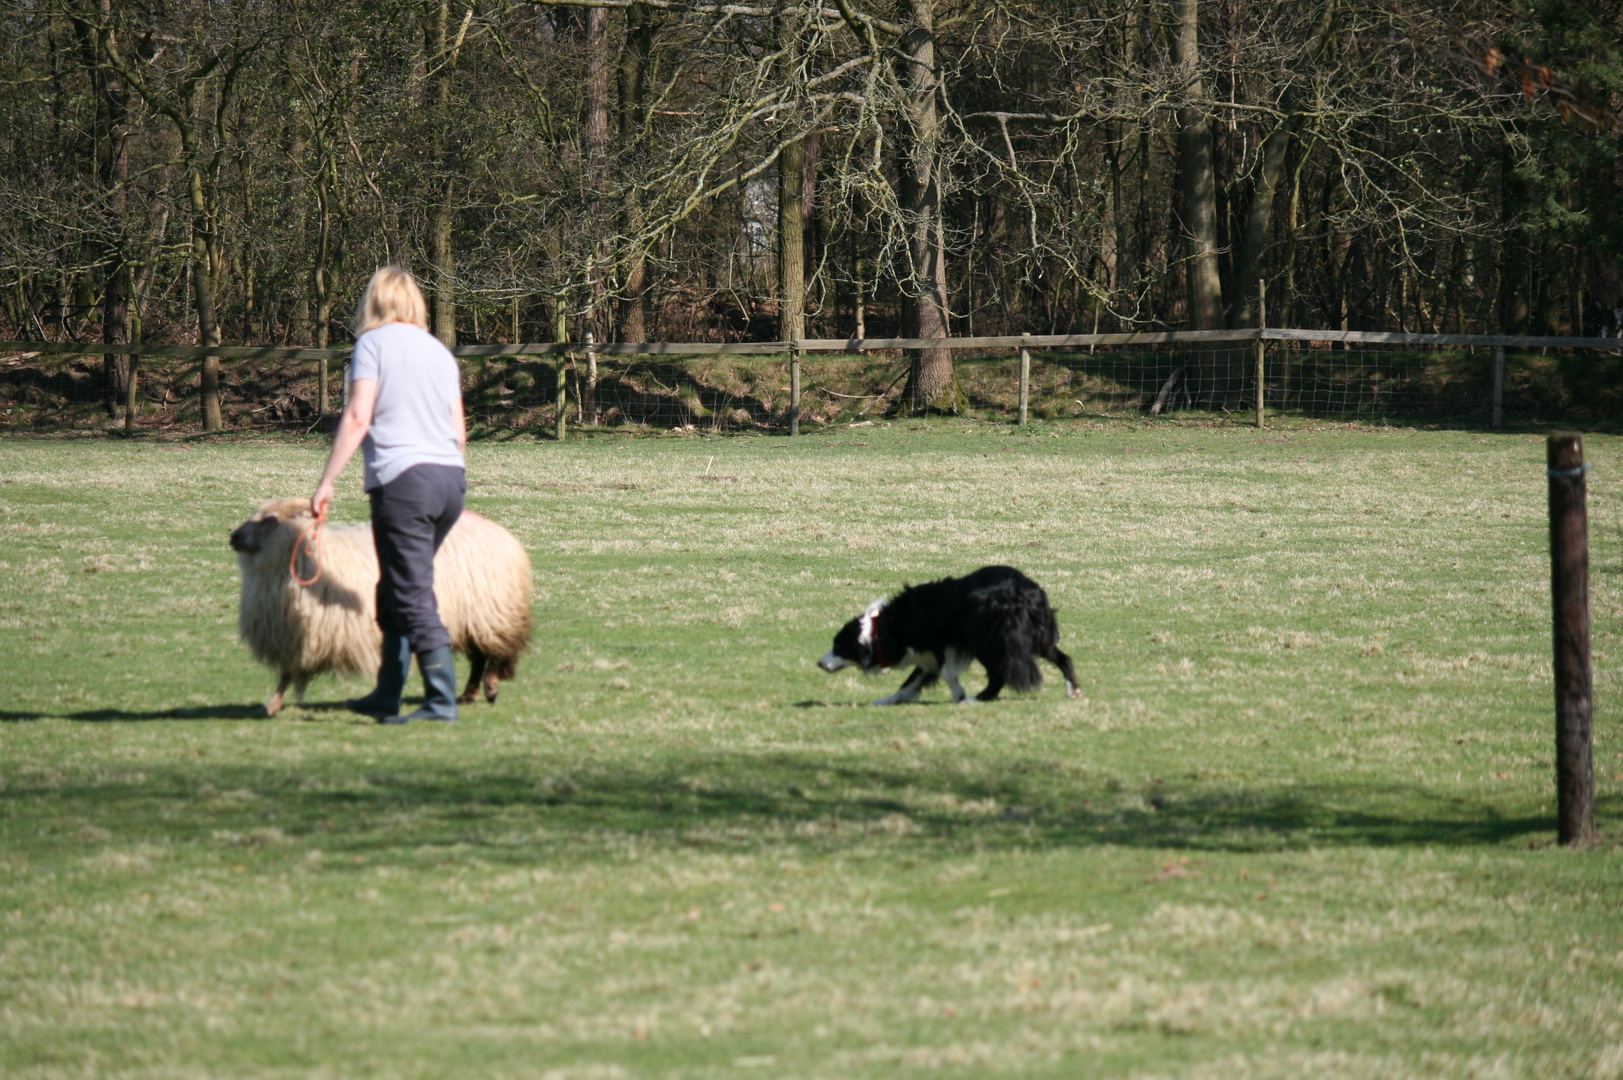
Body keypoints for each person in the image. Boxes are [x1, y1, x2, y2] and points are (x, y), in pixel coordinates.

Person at [311, 266, 467, 723]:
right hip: (449, 480)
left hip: (405, 484)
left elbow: (359, 416)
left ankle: (440, 702)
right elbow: (459, 431)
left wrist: (326, 481)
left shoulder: (372, 345)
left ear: (373, 303)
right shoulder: (440, 352)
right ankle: (387, 692)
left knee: (412, 592)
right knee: (396, 586)